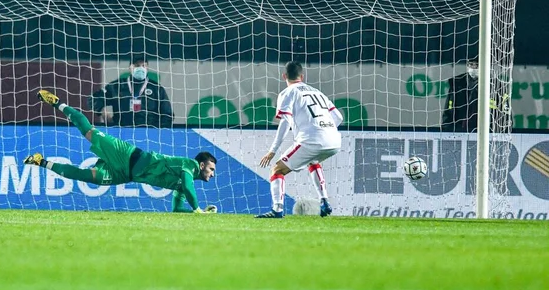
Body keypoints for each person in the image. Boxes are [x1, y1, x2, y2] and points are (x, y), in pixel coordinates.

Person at [24, 90, 217, 213]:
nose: (212, 173)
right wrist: (198, 209)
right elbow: (189, 187)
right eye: (211, 168)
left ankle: (41, 161)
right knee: (89, 132)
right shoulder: (189, 166)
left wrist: (198, 212)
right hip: (127, 155)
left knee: (89, 177)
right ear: (201, 165)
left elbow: (177, 209)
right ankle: (58, 103)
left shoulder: (185, 184)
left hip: (126, 174)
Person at [255, 61, 343, 219]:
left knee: (277, 169)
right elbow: (339, 117)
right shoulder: (318, 92)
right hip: (335, 140)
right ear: (302, 76)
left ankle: (277, 209)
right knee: (313, 161)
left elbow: (286, 122)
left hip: (312, 140)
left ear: (284, 76)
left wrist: (272, 151)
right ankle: (325, 202)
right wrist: (326, 130)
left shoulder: (287, 93)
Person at [88, 55, 174, 128]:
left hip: (148, 134)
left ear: (147, 68)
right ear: (130, 67)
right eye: (137, 65)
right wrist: (103, 113)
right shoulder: (118, 85)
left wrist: (157, 131)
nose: (140, 68)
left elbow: (168, 115)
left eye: (143, 65)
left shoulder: (156, 88)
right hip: (121, 131)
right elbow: (93, 99)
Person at [442, 56, 480, 132]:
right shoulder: (457, 83)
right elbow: (449, 108)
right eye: (470, 64)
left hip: (479, 128)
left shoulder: (491, 85)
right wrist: (446, 127)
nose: (473, 68)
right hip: (459, 128)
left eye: (476, 65)